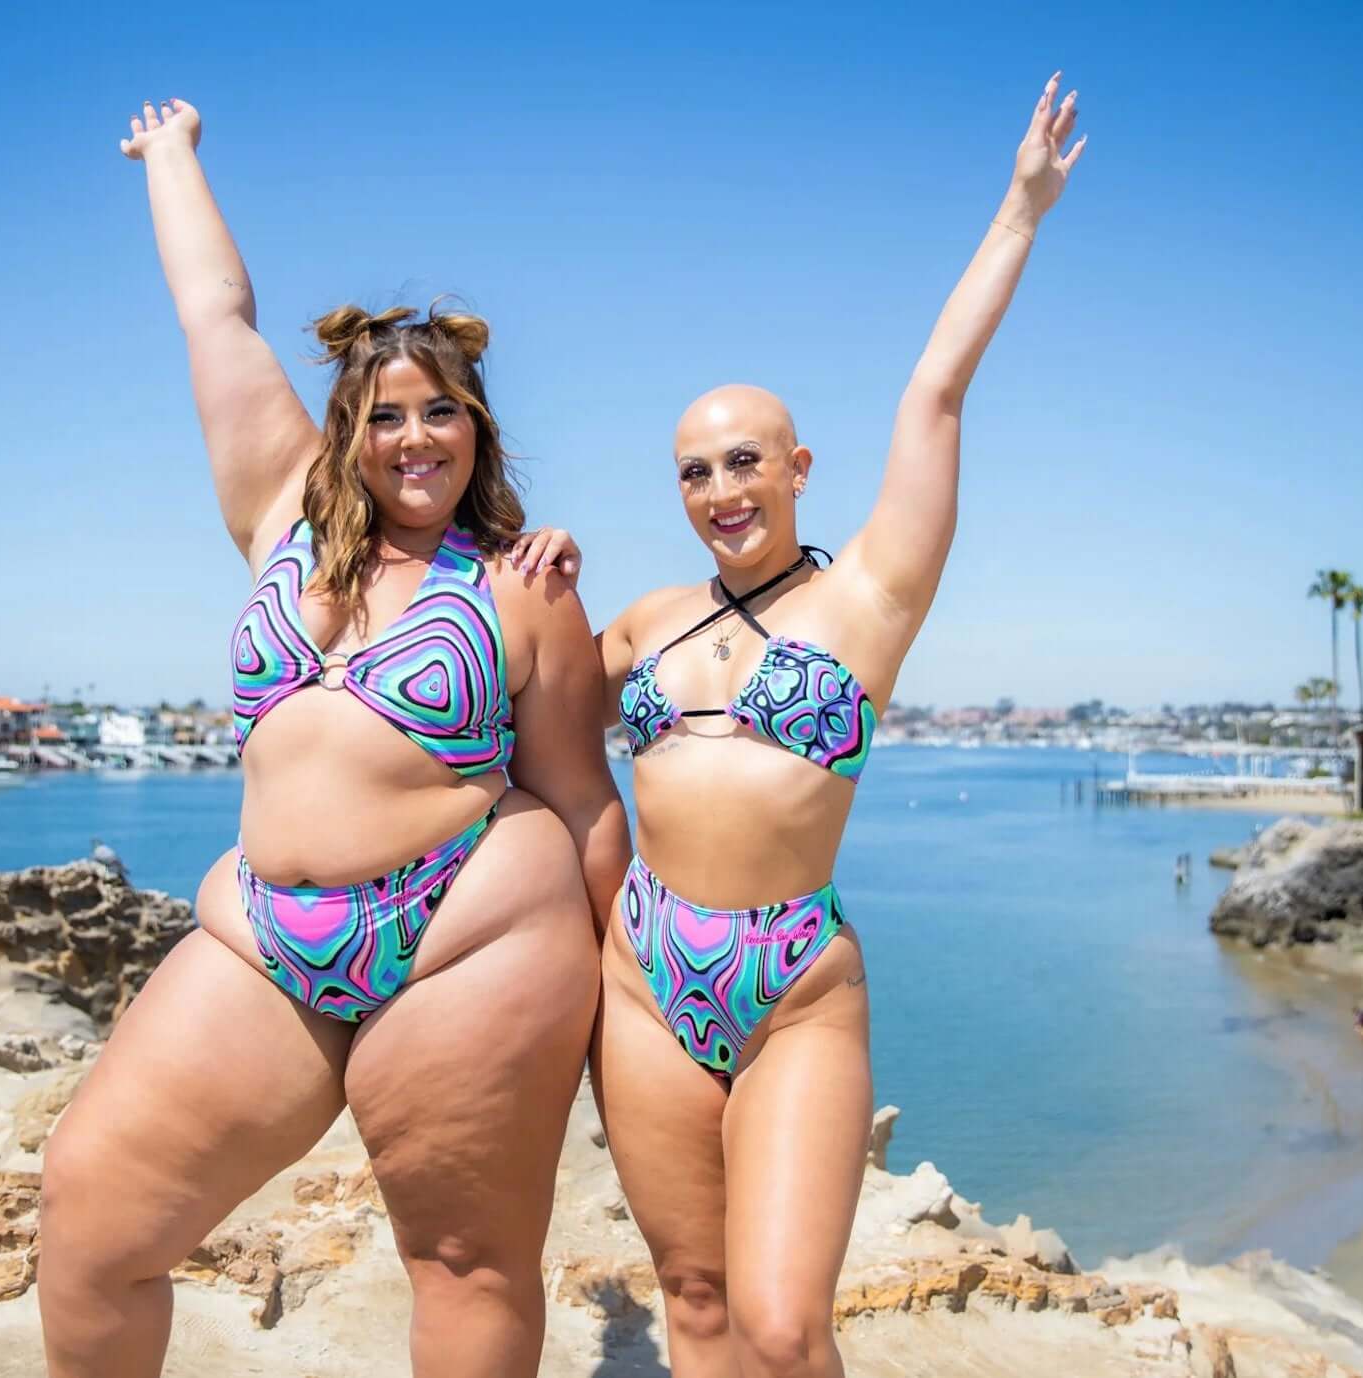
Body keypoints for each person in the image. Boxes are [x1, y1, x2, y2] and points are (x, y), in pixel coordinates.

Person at [38, 99, 628, 1378]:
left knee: (465, 1265)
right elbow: (217, 319)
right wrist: (171, 157)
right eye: (387, 416)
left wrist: (616, 1013)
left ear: (478, 428)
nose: (414, 439)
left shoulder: (524, 584)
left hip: (470, 936)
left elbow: (584, 803)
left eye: (442, 414)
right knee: (90, 1220)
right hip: (262, 934)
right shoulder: (277, 521)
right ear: (348, 432)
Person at [523, 72, 1083, 1376]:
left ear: (796, 469)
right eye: (693, 468)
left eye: (743, 460)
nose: (719, 487)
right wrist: (534, 571)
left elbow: (934, 395)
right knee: (699, 1305)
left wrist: (1019, 208)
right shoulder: (647, 617)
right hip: (641, 976)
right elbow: (535, 717)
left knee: (784, 1325)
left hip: (791, 985)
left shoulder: (868, 599)